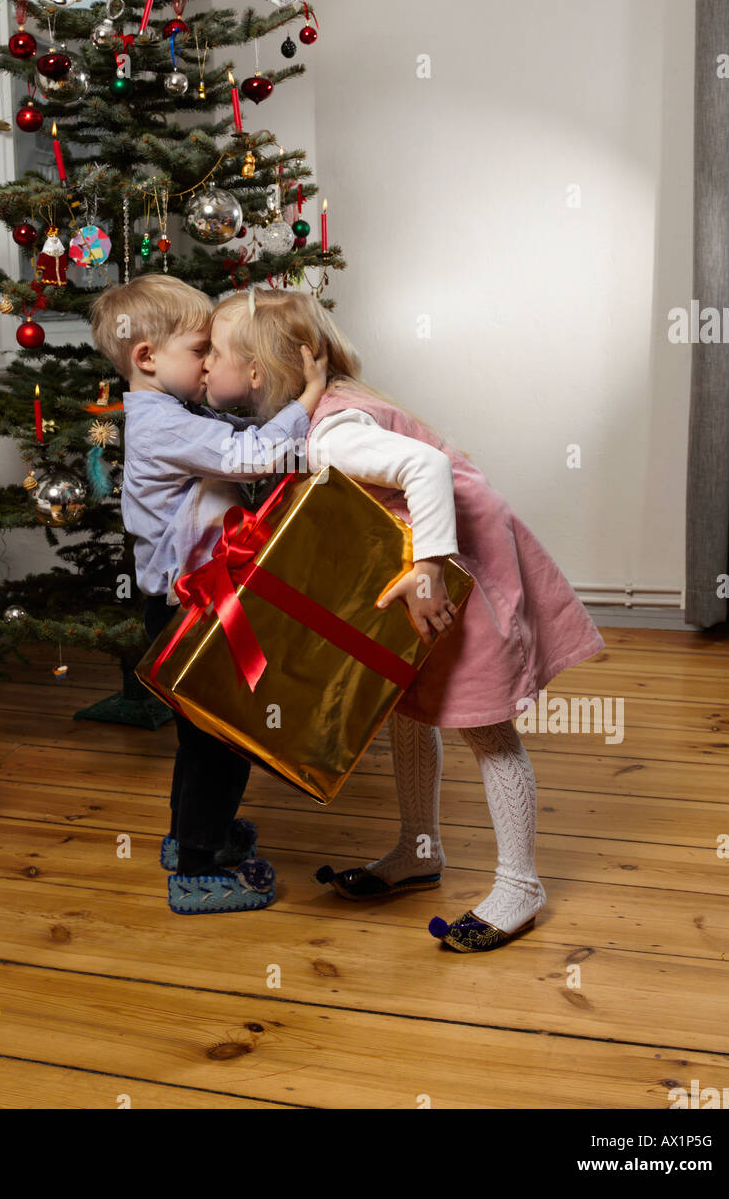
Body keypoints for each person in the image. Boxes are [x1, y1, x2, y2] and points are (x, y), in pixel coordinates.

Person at [201, 284, 606, 951]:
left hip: (455, 579)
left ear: (256, 370)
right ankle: (419, 850)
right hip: (433, 575)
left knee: (486, 726)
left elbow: (424, 467)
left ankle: (520, 883)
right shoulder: (326, 413)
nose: (205, 362)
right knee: (407, 707)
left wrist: (427, 566)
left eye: (213, 351)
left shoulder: (331, 433)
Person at [89, 274, 327, 914]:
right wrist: (308, 396)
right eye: (201, 350)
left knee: (204, 736)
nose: (209, 363)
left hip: (191, 600)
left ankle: (194, 839)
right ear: (146, 359)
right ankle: (197, 869)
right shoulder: (161, 425)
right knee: (219, 738)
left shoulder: (172, 413)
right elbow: (252, 455)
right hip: (190, 605)